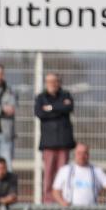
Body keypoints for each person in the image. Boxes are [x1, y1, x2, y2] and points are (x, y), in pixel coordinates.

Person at [35, 72, 75, 203]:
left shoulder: (66, 95)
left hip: (64, 142)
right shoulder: (41, 98)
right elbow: (40, 113)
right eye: (49, 81)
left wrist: (50, 108)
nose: (52, 84)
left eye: (54, 81)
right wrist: (59, 108)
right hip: (48, 143)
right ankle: (48, 202)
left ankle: (62, 201)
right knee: (48, 174)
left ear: (59, 83)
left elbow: (68, 107)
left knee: (63, 174)